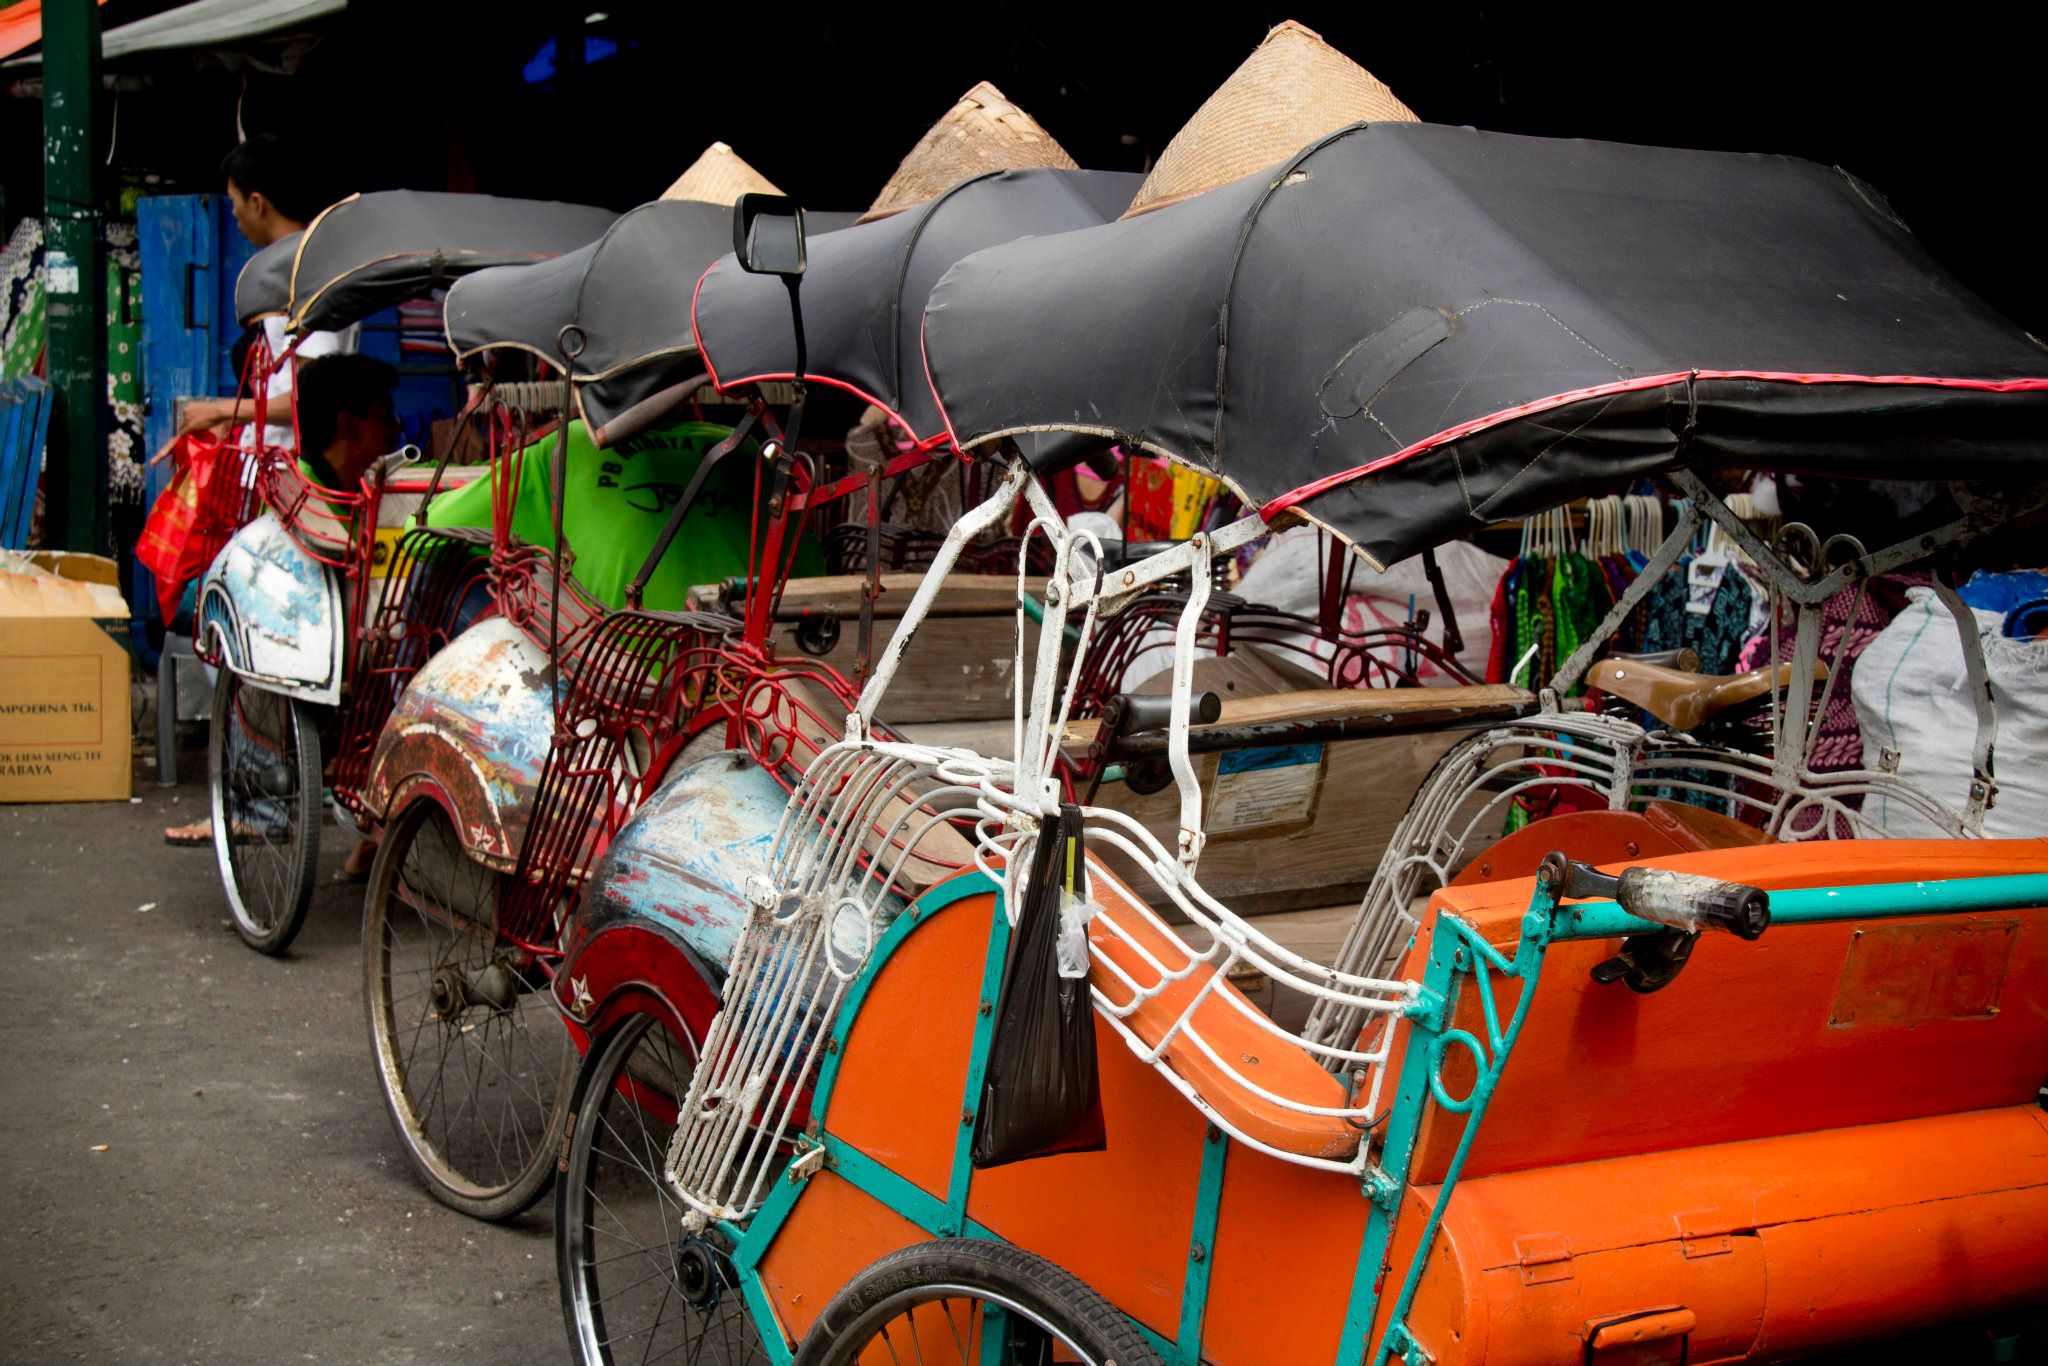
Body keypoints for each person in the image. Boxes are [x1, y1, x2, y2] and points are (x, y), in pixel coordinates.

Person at [164, 356, 402, 861]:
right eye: (386, 416)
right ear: (347, 425)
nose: (398, 428)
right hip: (299, 647)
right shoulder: (302, 496)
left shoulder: (360, 489)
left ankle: (374, 825)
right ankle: (259, 812)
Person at [423, 415, 822, 612]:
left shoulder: (566, 449)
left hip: (631, 676)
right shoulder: (740, 445)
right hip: (764, 670)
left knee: (433, 576)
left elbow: (427, 529)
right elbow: (811, 566)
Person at [157, 135, 357, 460]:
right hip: (276, 466)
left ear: (257, 203)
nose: (234, 215)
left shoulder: (305, 271)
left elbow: (311, 398)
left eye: (234, 203)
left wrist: (223, 411)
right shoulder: (294, 266)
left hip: (293, 473)